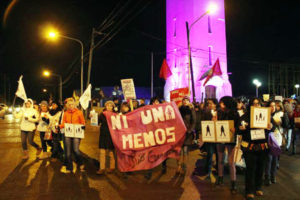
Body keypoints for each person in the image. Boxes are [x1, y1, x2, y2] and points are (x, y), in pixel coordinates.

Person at [239, 98, 272, 200]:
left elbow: (272, 127)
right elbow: (239, 129)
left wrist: (271, 126)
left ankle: (258, 187)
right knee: (250, 169)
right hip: (250, 147)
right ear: (250, 105)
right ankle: (249, 190)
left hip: (262, 147)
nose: (256, 105)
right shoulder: (245, 116)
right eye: (253, 104)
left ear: (261, 105)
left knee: (260, 168)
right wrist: (242, 129)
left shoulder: (266, 115)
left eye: (258, 104)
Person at [215, 96, 239, 194]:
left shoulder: (234, 113)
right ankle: (220, 178)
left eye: (222, 103)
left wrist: (235, 129)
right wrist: (214, 121)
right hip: (220, 138)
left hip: (230, 139)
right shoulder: (219, 112)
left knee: (230, 162)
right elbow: (215, 125)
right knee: (220, 159)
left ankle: (233, 182)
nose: (220, 104)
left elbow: (238, 125)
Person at [59, 98, 85, 173]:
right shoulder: (66, 113)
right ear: (67, 105)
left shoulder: (79, 112)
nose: (71, 106)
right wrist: (59, 126)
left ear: (75, 105)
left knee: (76, 150)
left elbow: (83, 122)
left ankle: (81, 162)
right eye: (69, 105)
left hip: (76, 133)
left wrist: (83, 126)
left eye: (72, 104)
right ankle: (69, 167)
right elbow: (64, 123)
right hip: (68, 133)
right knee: (68, 152)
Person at [177, 96, 196, 174]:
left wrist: (190, 130)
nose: (185, 101)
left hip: (187, 133)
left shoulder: (191, 110)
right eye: (184, 100)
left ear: (189, 101)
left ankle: (184, 166)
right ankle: (178, 166)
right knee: (178, 151)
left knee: (185, 151)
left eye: (187, 100)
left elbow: (194, 121)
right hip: (179, 132)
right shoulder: (179, 109)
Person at [97, 101, 116, 175]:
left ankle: (112, 167)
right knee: (102, 152)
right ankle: (102, 168)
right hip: (103, 135)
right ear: (105, 106)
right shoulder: (102, 114)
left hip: (112, 135)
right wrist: (92, 117)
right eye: (108, 105)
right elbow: (96, 122)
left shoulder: (115, 115)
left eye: (111, 106)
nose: (109, 107)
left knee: (111, 152)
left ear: (113, 107)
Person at [203, 98, 218, 179]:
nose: (210, 105)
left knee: (218, 154)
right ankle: (208, 170)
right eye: (208, 103)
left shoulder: (219, 112)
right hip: (210, 136)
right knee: (210, 153)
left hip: (218, 136)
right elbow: (204, 123)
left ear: (215, 104)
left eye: (211, 103)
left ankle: (218, 170)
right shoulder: (206, 113)